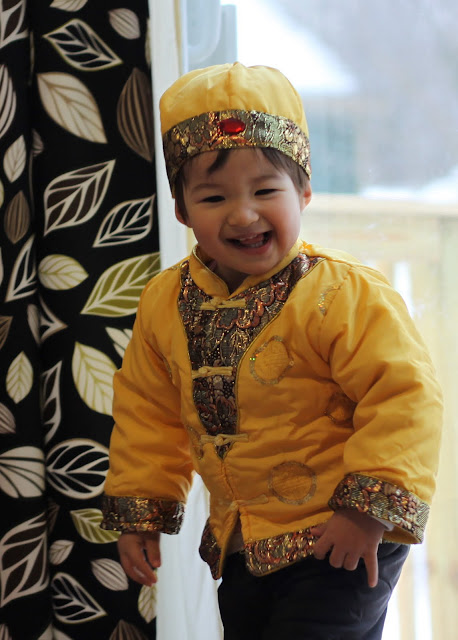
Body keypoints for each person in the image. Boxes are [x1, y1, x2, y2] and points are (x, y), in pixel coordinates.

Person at [101, 62, 442, 639]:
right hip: (244, 544)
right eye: (214, 197)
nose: (243, 214)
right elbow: (147, 415)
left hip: (342, 532)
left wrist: (365, 512)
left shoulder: (341, 293)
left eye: (265, 190)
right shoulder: (164, 303)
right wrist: (142, 510)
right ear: (182, 210)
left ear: (303, 191)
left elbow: (404, 397)